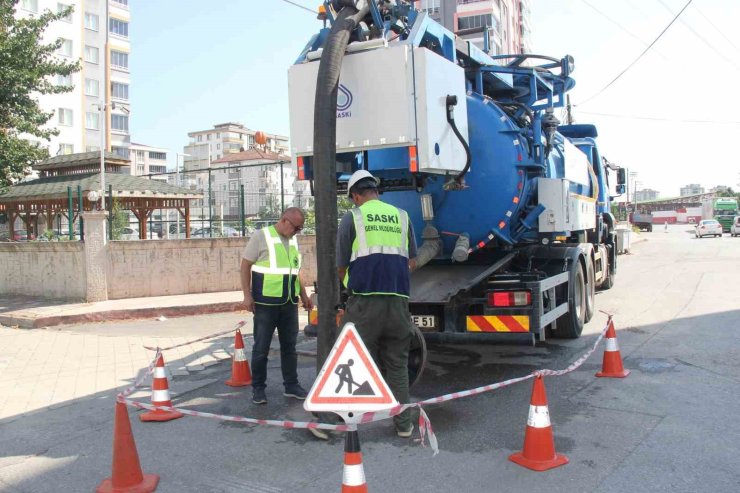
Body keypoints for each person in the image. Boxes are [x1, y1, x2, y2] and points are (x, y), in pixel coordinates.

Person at [335, 169, 418, 438]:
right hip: (398, 303)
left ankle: (345, 422)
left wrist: (350, 285)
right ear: (376, 191)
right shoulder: (403, 217)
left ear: (356, 195)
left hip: (364, 303)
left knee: (351, 360)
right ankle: (404, 425)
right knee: (397, 364)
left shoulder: (353, 217)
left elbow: (340, 264)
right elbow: (412, 261)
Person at [240, 207, 313, 405]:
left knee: (290, 346)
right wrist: (247, 295)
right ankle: (258, 388)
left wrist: (304, 295)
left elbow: (296, 270)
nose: (297, 232)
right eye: (296, 227)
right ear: (284, 220)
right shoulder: (261, 236)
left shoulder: (293, 240)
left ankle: (291, 385)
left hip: (289, 303)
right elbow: (245, 265)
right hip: (266, 304)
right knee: (261, 347)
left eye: (300, 229)